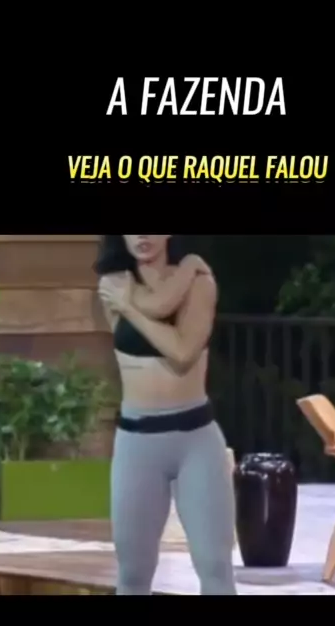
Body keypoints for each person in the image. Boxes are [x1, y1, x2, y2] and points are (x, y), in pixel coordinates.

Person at [95, 235, 237, 595]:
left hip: (195, 438)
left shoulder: (201, 283)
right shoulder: (114, 284)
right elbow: (158, 305)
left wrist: (132, 307)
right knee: (133, 572)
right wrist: (188, 267)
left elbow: (183, 350)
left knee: (215, 566)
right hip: (137, 441)